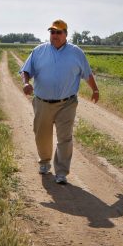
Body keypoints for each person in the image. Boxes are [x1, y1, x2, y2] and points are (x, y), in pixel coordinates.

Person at [19, 19, 99, 184]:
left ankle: (61, 172)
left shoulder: (76, 53)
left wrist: (95, 89)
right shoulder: (39, 51)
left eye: (58, 32)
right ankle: (45, 162)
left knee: (65, 137)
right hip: (42, 102)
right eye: (52, 32)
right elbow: (26, 70)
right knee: (42, 135)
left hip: (67, 103)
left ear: (66, 34)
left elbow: (87, 74)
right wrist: (26, 83)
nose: (54, 35)